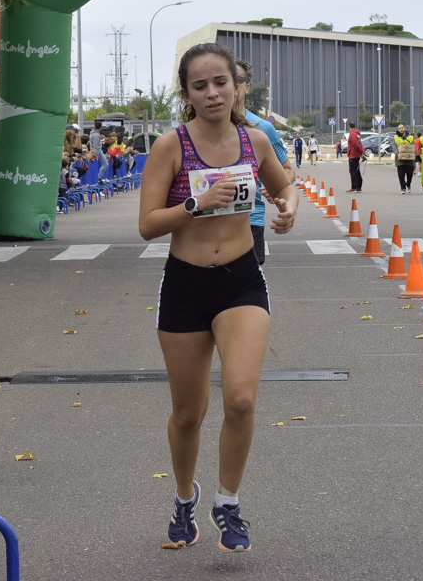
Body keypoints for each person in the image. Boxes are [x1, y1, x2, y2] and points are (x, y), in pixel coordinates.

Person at [138, 42, 296, 553]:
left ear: (237, 85)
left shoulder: (256, 140)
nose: (212, 93)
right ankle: (185, 497)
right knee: (188, 414)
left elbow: (284, 185)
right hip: (185, 285)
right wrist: (195, 201)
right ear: (185, 93)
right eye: (200, 85)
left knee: (242, 398)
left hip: (241, 280)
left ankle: (228, 502)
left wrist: (289, 208)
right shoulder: (171, 147)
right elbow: (146, 225)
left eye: (220, 83)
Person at [235, 58, 296, 265]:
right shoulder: (195, 132)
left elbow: (287, 170)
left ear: (248, 87)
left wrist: (277, 189)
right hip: (206, 223)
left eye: (239, 80)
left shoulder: (263, 129)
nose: (232, 86)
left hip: (251, 220)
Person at [392, 124, 416, 194]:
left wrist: (414, 154)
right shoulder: (396, 138)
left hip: (409, 159)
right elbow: (394, 147)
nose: (401, 129)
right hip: (399, 159)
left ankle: (408, 185)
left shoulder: (411, 137)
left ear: (404, 128)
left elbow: (413, 146)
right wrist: (397, 153)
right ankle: (403, 188)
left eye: (402, 128)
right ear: (398, 129)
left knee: (409, 174)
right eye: (399, 128)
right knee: (401, 174)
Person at [345, 121, 364, 192]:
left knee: (353, 171)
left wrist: (360, 152)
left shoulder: (352, 134)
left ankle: (354, 187)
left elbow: (356, 145)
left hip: (353, 155)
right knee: (356, 170)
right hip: (356, 155)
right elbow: (360, 144)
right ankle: (358, 186)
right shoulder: (357, 134)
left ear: (349, 126)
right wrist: (362, 152)